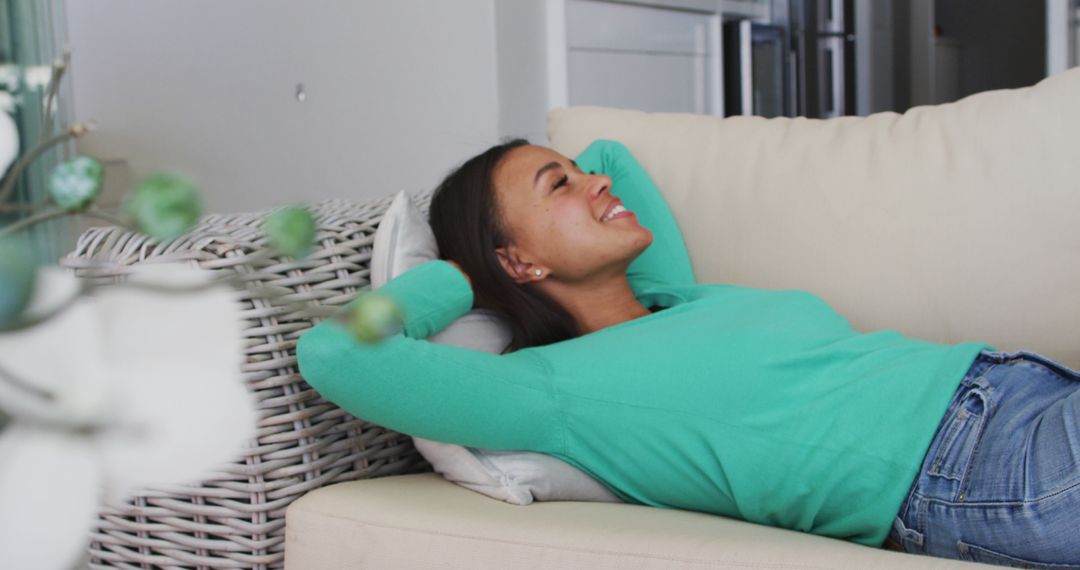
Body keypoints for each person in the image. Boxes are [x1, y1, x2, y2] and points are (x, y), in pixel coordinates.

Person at [297, 139, 1080, 568]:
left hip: (1019, 394)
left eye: (575, 172)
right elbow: (339, 355)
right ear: (518, 262)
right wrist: (455, 279)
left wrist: (576, 185)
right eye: (558, 185)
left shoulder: (676, 302)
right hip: (980, 475)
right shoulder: (550, 390)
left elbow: (618, 156)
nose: (596, 179)